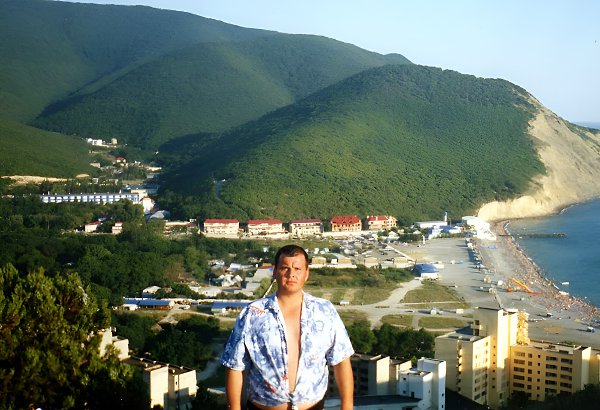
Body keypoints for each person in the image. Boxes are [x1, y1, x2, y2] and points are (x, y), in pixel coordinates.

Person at [221, 244, 354, 410]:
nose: (291, 275)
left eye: (297, 269)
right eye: (285, 268)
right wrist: (234, 407)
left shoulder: (325, 311)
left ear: (306, 273)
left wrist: (347, 406)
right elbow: (235, 366)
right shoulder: (252, 314)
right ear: (275, 271)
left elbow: (341, 361)